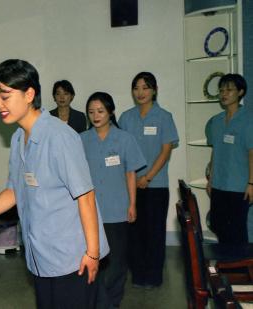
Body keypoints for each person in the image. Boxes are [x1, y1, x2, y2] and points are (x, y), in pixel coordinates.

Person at [0, 59, 109, 308]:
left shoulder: (59, 137)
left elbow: (86, 196)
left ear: (29, 94)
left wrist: (92, 253)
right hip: (41, 256)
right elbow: (14, 190)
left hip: (72, 259)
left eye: (5, 96)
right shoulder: (19, 138)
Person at [80, 92, 146, 307]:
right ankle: (94, 301)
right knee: (92, 260)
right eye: (91, 112)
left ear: (110, 112)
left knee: (116, 263)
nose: (96, 116)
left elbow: (130, 173)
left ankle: (112, 303)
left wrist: (132, 204)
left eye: (100, 111)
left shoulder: (125, 138)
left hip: (117, 210)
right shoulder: (82, 139)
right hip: (90, 212)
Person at [118, 72, 179, 288]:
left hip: (156, 186)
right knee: (135, 233)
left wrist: (148, 177)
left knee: (154, 232)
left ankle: (154, 277)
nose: (140, 92)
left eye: (145, 87)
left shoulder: (164, 117)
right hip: (131, 187)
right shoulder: (126, 118)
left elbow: (166, 151)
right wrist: (133, 180)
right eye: (136, 88)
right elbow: (121, 150)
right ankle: (138, 275)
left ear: (154, 90)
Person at [205, 73, 253, 244]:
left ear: (240, 92)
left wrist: (251, 183)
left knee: (237, 229)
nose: (224, 94)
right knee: (218, 225)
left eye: (229, 90)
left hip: (239, 186)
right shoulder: (216, 121)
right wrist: (210, 179)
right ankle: (226, 266)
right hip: (219, 184)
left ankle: (240, 269)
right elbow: (215, 151)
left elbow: (251, 153)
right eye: (221, 90)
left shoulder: (248, 119)